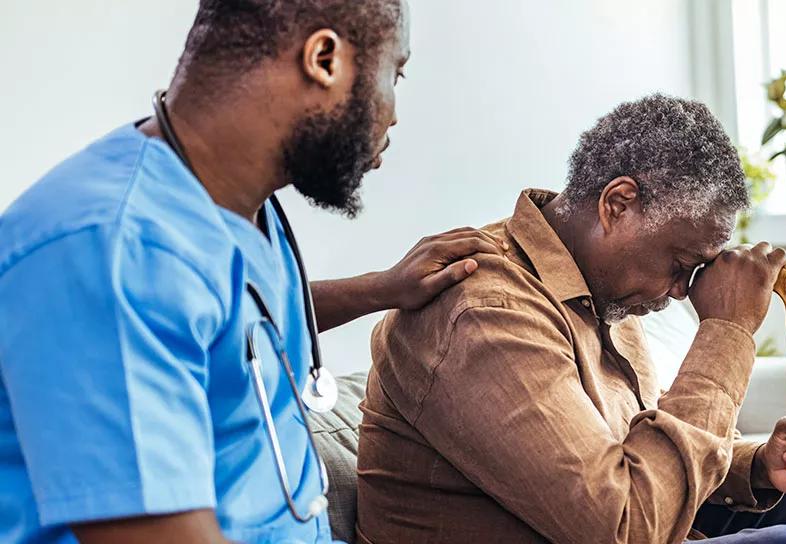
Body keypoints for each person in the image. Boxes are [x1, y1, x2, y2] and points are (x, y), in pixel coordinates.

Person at [0, 1, 503, 542]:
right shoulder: (107, 251)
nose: (394, 113)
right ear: (324, 58)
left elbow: (223, 317)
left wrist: (384, 288)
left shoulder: (231, 201)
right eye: (394, 74)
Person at [356, 94, 786, 543]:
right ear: (618, 203)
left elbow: (637, 459)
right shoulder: (483, 311)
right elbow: (625, 525)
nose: (683, 291)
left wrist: (758, 465)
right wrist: (725, 332)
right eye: (680, 266)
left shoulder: (604, 293)